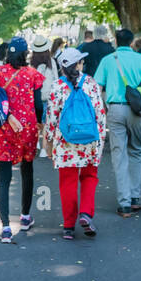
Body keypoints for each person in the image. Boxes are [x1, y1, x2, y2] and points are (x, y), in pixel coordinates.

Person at [0, 37, 45, 243]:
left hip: (3, 129)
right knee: (27, 172)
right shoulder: (33, 75)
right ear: (26, 54)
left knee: (3, 178)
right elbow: (38, 105)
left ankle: (6, 227)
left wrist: (7, 114)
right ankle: (25, 217)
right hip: (26, 129)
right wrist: (40, 124)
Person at [42, 48, 107, 240]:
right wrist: (100, 141)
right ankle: (86, 213)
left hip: (65, 142)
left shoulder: (57, 86)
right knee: (89, 177)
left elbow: (51, 118)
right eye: (81, 61)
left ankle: (69, 226)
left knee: (67, 182)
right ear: (77, 65)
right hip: (89, 140)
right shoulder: (91, 84)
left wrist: (48, 141)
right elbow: (100, 115)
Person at [94, 28, 141, 216]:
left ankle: (124, 202)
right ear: (131, 42)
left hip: (115, 109)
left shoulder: (107, 60)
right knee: (137, 150)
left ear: (116, 41)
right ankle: (135, 197)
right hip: (137, 110)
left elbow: (97, 88)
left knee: (119, 153)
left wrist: (100, 112)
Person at [29, 35, 58, 158]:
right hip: (48, 96)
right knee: (46, 124)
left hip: (34, 97)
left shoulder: (31, 62)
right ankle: (44, 149)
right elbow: (56, 79)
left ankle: (35, 144)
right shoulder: (51, 62)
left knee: (35, 122)